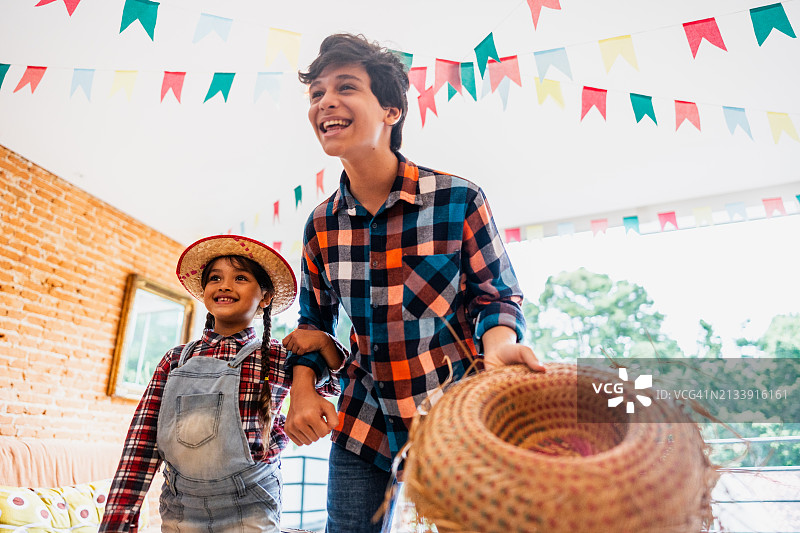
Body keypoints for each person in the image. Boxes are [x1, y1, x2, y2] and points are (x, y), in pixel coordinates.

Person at [284, 33, 545, 533]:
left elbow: (497, 295)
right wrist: (301, 387)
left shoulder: (458, 199)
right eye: (316, 93)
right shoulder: (321, 225)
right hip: (364, 420)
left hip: (456, 415)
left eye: (345, 87)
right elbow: (313, 324)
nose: (326, 102)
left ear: (391, 111)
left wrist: (499, 347)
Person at [99, 235, 341, 533]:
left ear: (265, 297)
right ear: (204, 293)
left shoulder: (278, 357)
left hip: (251, 508)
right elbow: (141, 444)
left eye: (240, 277)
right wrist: (119, 522)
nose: (224, 285)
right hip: (179, 510)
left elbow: (339, 384)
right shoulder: (174, 361)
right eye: (215, 278)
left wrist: (327, 344)